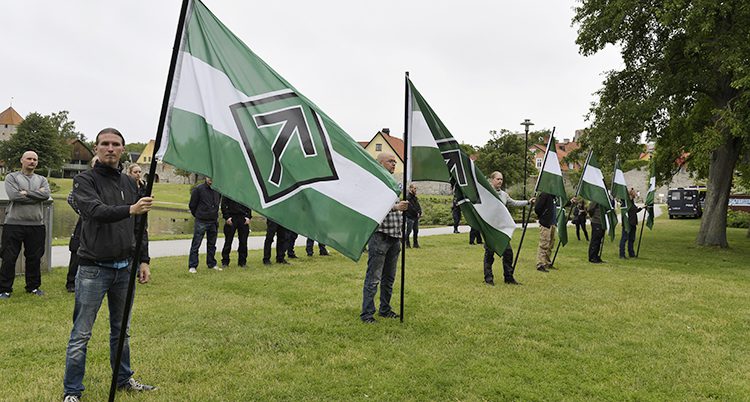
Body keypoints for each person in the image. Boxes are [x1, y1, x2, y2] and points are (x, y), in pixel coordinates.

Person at [63, 128, 155, 401]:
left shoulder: (130, 184)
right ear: (96, 148)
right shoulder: (84, 181)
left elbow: (140, 226)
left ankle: (123, 380)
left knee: (122, 330)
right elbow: (95, 211)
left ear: (123, 149)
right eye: (105, 144)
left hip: (125, 268)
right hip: (93, 268)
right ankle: (72, 392)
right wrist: (130, 209)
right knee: (81, 333)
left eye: (116, 144)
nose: (110, 148)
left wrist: (144, 260)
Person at [361, 152, 409, 323]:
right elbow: (373, 207)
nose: (394, 164)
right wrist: (396, 207)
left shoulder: (394, 184)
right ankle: (367, 314)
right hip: (380, 236)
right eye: (390, 161)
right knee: (374, 278)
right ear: (380, 163)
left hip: (395, 236)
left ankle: (385, 309)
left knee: (389, 278)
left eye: (395, 162)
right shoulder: (375, 184)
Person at [0, 151, 50, 299]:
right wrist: (36, 194)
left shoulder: (42, 179)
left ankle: (33, 287)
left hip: (36, 224)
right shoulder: (12, 177)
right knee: (9, 257)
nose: (32, 161)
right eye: (29, 158)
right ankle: (4, 289)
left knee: (34, 258)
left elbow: (46, 195)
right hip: (14, 224)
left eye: (35, 159)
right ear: (22, 160)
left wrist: (25, 193)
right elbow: (14, 196)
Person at [483, 171, 533, 285]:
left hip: (502, 229)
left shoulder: (504, 195)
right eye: (497, 179)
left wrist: (528, 202)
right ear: (492, 180)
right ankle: (488, 278)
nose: (500, 181)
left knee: (508, 253)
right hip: (491, 229)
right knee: (489, 254)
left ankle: (509, 278)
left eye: (501, 179)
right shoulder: (487, 193)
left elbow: (513, 203)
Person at [65, 157, 100, 293]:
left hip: (103, 221)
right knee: (77, 249)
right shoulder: (85, 179)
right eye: (95, 162)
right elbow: (70, 198)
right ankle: (71, 282)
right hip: (86, 220)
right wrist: (83, 211)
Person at [188, 177, 221, 273]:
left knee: (212, 244)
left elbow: (218, 202)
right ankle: (192, 265)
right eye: (209, 177)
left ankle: (211, 263)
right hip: (201, 220)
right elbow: (192, 205)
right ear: (206, 178)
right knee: (196, 244)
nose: (211, 179)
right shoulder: (199, 189)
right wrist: (198, 215)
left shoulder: (217, 189)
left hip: (213, 221)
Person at [220, 196, 251, 268]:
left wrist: (248, 216)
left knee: (243, 242)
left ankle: (242, 262)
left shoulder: (245, 191)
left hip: (243, 218)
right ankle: (225, 262)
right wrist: (227, 217)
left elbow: (249, 203)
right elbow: (223, 205)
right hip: (231, 217)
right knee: (228, 241)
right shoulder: (228, 190)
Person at [619, 188, 643, 259]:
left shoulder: (632, 202)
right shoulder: (625, 202)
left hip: (633, 222)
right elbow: (625, 211)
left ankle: (631, 253)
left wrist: (642, 208)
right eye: (634, 193)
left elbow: (634, 210)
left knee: (631, 239)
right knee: (624, 238)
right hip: (627, 223)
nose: (635, 194)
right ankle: (622, 254)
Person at [404, 184, 422, 248]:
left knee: (416, 231)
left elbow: (417, 205)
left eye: (416, 188)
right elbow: (410, 207)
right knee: (408, 231)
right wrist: (416, 213)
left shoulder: (415, 198)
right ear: (410, 189)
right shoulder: (408, 198)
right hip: (410, 217)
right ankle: (407, 244)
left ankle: (415, 243)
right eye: (414, 188)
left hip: (415, 217)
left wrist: (420, 212)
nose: (415, 190)